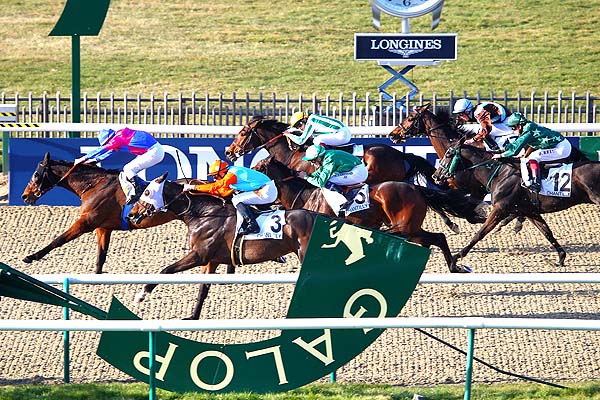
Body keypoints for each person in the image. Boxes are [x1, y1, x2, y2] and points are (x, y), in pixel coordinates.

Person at [182, 159, 278, 235]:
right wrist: (201, 190)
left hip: (267, 191)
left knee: (237, 199)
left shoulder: (231, 175)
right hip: (264, 189)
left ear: (222, 172)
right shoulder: (230, 174)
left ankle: (253, 225)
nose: (214, 178)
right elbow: (221, 192)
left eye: (215, 175)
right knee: (238, 198)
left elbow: (215, 186)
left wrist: (193, 187)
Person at [75, 127, 165, 204]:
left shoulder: (118, 138)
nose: (108, 145)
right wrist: (94, 160)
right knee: (128, 172)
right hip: (154, 150)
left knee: (128, 168)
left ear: (109, 139)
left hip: (154, 152)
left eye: (107, 143)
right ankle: (142, 187)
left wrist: (83, 158)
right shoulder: (119, 136)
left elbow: (102, 149)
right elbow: (110, 152)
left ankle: (138, 192)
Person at [492, 112, 571, 192]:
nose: (513, 131)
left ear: (519, 126)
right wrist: (502, 150)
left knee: (534, 157)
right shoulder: (528, 127)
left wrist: (501, 155)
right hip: (558, 145)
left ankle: (536, 183)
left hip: (561, 148)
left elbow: (515, 150)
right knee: (529, 157)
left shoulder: (528, 130)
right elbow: (524, 145)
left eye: (513, 128)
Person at [298, 144, 368, 216]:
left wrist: (306, 177)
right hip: (355, 169)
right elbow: (321, 171)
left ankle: (343, 201)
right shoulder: (326, 156)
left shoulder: (329, 159)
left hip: (358, 173)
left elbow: (320, 182)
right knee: (329, 180)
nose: (312, 164)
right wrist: (310, 175)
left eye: (312, 161)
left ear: (319, 158)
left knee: (328, 182)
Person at [452, 98, 517, 152]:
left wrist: (472, 140)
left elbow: (486, 129)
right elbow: (460, 121)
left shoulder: (479, 112)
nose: (460, 117)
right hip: (502, 122)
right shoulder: (475, 111)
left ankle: (495, 149)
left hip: (508, 125)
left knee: (479, 128)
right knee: (475, 127)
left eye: (460, 114)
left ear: (467, 111)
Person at [283, 111, 351, 147]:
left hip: (342, 135)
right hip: (343, 132)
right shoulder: (312, 119)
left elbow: (301, 141)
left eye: (299, 125)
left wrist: (289, 135)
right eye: (297, 127)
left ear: (304, 120)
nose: (300, 128)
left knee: (317, 140)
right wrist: (290, 130)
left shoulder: (311, 122)